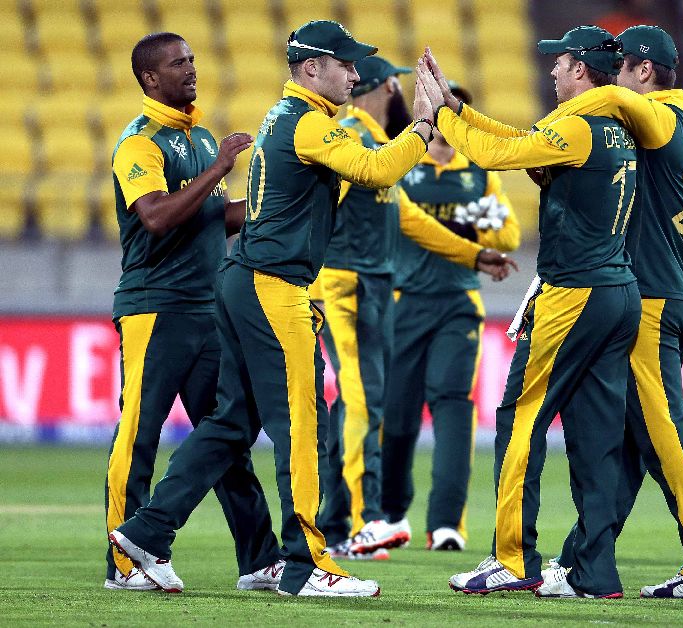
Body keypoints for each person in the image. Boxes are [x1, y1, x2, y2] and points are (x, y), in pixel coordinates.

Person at [109, 20, 515, 598]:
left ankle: (146, 532)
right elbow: (378, 169)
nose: (355, 74)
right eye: (346, 64)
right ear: (311, 69)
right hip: (273, 289)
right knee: (304, 424)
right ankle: (306, 563)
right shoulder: (307, 123)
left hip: (245, 282)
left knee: (230, 423)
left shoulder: (293, 118)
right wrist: (423, 124)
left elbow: (369, 187)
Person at [417, 26, 642, 598]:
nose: (551, 72)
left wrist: (436, 120)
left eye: (561, 63)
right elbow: (519, 140)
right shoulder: (614, 127)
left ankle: (513, 559)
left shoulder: (577, 125)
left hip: (574, 294)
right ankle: (595, 570)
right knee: (595, 434)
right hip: (618, 292)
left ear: (583, 70)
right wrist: (457, 108)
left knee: (520, 417)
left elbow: (499, 154)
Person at [540, 25, 683, 600]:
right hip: (665, 294)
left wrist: (577, 93)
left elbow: (619, 99)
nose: (609, 74)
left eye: (617, 64)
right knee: (631, 444)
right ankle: (580, 561)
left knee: (666, 435)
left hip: (650, 302)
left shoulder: (660, 116)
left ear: (643, 71)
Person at [104, 31, 283, 592]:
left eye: (192, 59)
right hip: (155, 308)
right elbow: (157, 216)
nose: (191, 68)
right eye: (176, 63)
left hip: (208, 310)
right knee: (139, 435)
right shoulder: (139, 143)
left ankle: (259, 563)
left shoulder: (201, 138)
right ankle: (127, 563)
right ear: (150, 79)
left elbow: (212, 217)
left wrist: (273, 205)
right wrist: (224, 165)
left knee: (226, 436)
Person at [312, 57, 510, 559]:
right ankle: (361, 520)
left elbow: (412, 219)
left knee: (381, 406)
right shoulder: (362, 142)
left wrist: (475, 252)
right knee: (367, 408)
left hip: (399, 293)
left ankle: (357, 520)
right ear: (386, 89)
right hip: (358, 290)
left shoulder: (390, 147)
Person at [380, 81, 521, 552]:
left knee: (453, 408)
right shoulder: (402, 164)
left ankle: (446, 524)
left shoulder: (479, 172)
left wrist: (489, 225)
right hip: (404, 302)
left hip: (458, 303)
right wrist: (474, 248)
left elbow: (509, 236)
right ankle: (390, 513)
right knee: (397, 418)